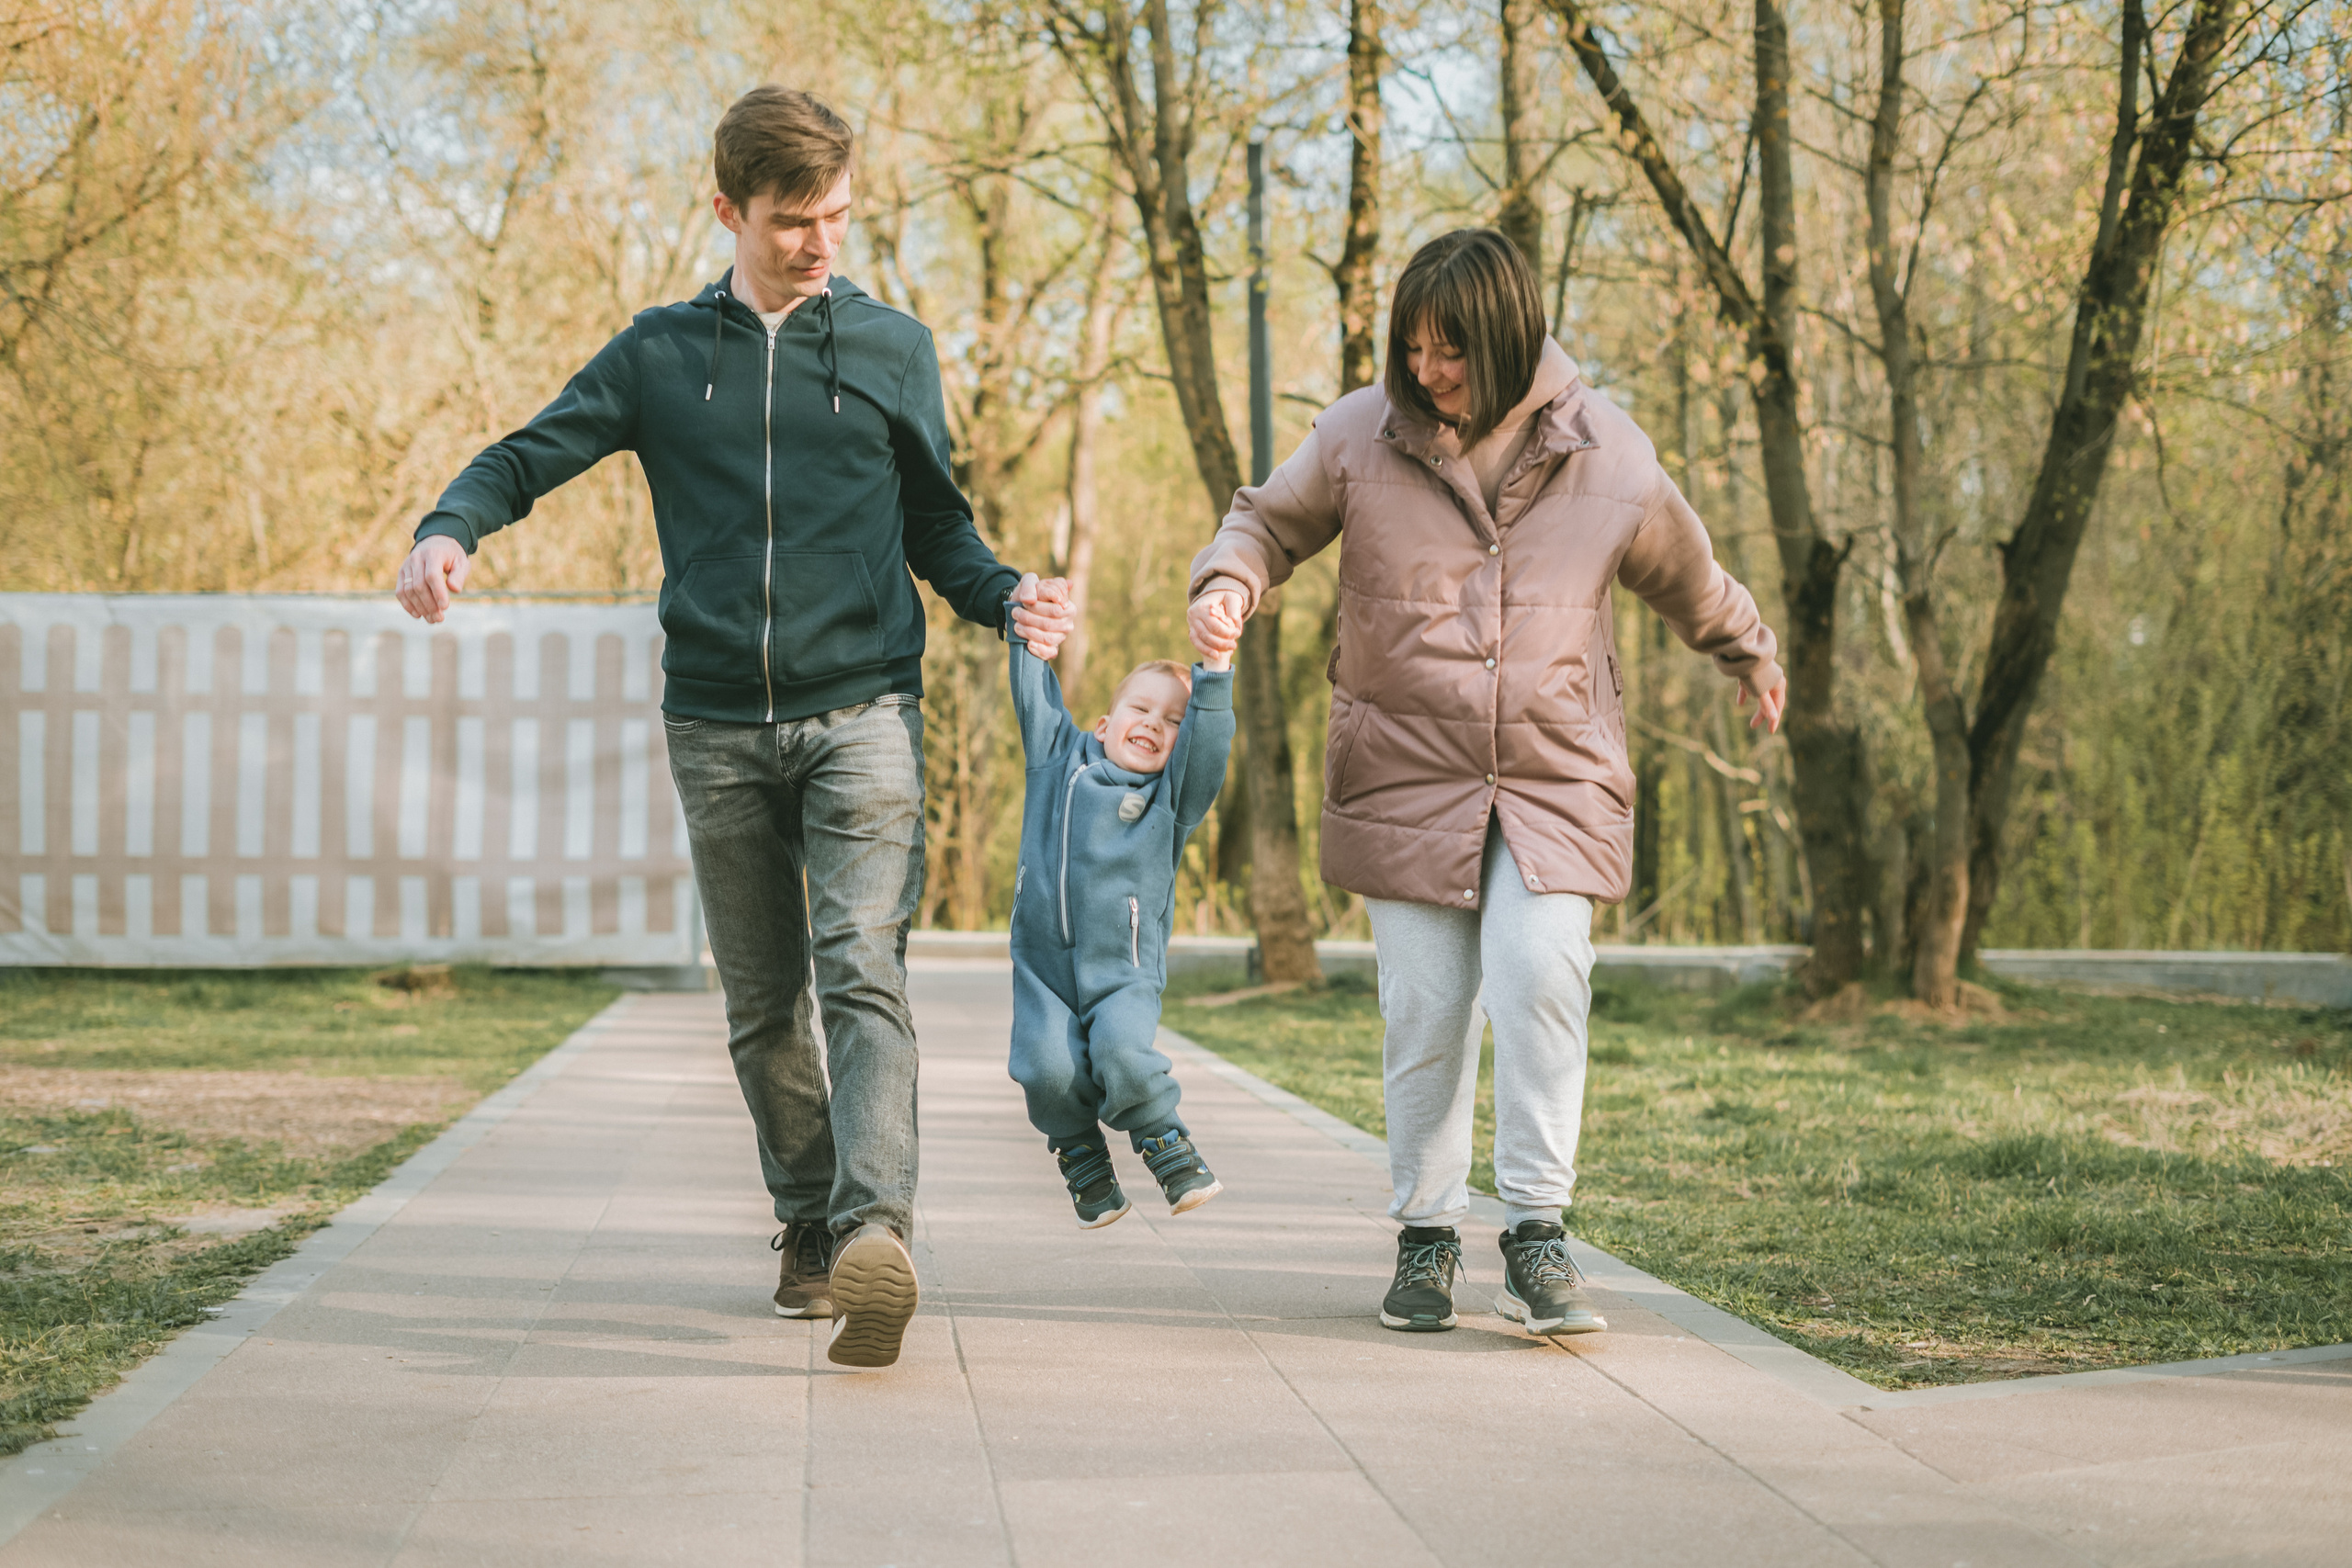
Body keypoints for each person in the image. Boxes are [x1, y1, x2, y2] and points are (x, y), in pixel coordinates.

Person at [392, 85, 1072, 1371]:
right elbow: (526, 455)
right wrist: (448, 527)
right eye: (791, 222)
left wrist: (1007, 597)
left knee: (862, 967)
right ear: (727, 210)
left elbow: (939, 526)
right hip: (715, 723)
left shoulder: (890, 348)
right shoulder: (660, 355)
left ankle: (878, 1231)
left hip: (864, 706)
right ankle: (808, 1222)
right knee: (765, 1004)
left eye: (838, 218)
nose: (820, 245)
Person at [1186, 229, 1785, 1339]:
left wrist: (1749, 650)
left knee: (1539, 971)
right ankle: (1424, 1234)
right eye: (1411, 348)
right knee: (1423, 1006)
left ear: (1508, 339)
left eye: (1449, 350)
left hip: (1554, 770)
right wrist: (1229, 580)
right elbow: (1263, 521)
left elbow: (1686, 572)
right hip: (1407, 764)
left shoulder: (1607, 450)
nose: (1427, 371)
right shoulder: (1360, 435)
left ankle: (1537, 1234)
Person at [1004, 620, 1238, 1227]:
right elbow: (1034, 698)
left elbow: (1207, 748)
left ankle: (1169, 1147)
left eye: (1172, 720)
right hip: (1043, 968)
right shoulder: (1058, 759)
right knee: (1045, 1068)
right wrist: (1029, 642)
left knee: (1123, 1053)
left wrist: (1213, 676)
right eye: (1141, 708)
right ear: (1104, 724)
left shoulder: (1171, 798)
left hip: (1124, 969)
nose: (1154, 724)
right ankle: (1084, 1162)